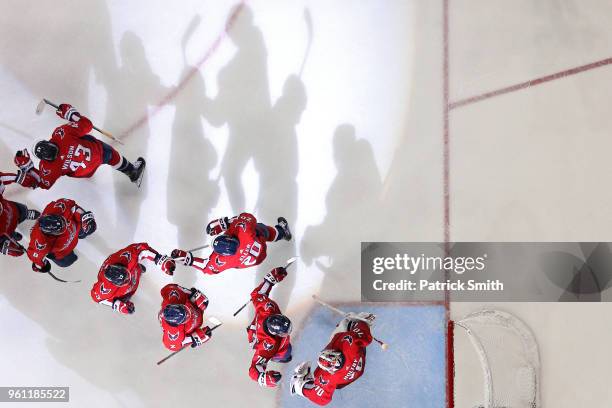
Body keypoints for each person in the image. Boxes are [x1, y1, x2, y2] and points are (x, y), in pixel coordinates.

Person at [13, 103, 145, 190]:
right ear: (48, 142)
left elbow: (44, 183)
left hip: (85, 172)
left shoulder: (47, 167)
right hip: (98, 155)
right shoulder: (62, 134)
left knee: (72, 164)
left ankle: (126, 170)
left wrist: (29, 168)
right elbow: (87, 125)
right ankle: (131, 171)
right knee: (109, 153)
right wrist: (71, 114)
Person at [290, 312, 376, 406]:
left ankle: (299, 386)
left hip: (351, 376)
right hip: (358, 361)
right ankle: (350, 323)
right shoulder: (349, 342)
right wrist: (360, 322)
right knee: (349, 325)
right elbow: (366, 337)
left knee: (345, 323)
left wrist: (302, 389)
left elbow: (322, 400)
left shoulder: (326, 377)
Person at [171, 213, 291, 274]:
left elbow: (205, 268)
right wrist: (225, 223)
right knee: (260, 229)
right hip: (259, 246)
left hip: (252, 261)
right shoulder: (244, 232)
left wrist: (188, 259)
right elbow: (247, 217)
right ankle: (281, 232)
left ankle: (279, 233)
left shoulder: (222, 261)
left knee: (236, 264)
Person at [91, 243, 175, 314]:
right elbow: (97, 298)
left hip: (128, 265)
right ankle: (136, 269)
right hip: (123, 282)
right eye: (125, 280)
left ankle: (137, 268)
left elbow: (142, 248)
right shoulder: (104, 289)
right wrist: (118, 305)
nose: (129, 279)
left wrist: (160, 259)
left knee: (135, 267)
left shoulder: (127, 257)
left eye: (127, 275)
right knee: (125, 297)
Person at [247, 266, 292, 387]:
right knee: (285, 353)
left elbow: (257, 294)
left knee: (286, 351)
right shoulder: (268, 346)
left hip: (258, 327)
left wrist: (271, 279)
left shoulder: (267, 307)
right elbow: (253, 370)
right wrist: (264, 379)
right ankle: (279, 357)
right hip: (256, 338)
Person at [27, 198, 96, 272]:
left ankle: (81, 234)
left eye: (63, 221)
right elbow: (35, 256)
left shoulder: (58, 207)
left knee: (84, 232)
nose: (65, 225)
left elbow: (73, 207)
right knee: (66, 262)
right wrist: (41, 265)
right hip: (63, 251)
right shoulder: (40, 243)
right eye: (61, 230)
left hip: (75, 229)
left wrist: (85, 218)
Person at [158, 283, 212, 351]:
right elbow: (173, 344)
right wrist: (196, 338)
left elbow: (169, 288)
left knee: (204, 302)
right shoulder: (173, 332)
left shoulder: (173, 298)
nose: (188, 314)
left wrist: (193, 294)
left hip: (195, 309)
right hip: (196, 323)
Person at [0, 172, 40, 257]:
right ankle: (13, 235)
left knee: (22, 210)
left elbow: (2, 177)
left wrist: (20, 178)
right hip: (5, 231)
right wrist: (5, 247)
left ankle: (26, 214)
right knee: (10, 236)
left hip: (11, 209)